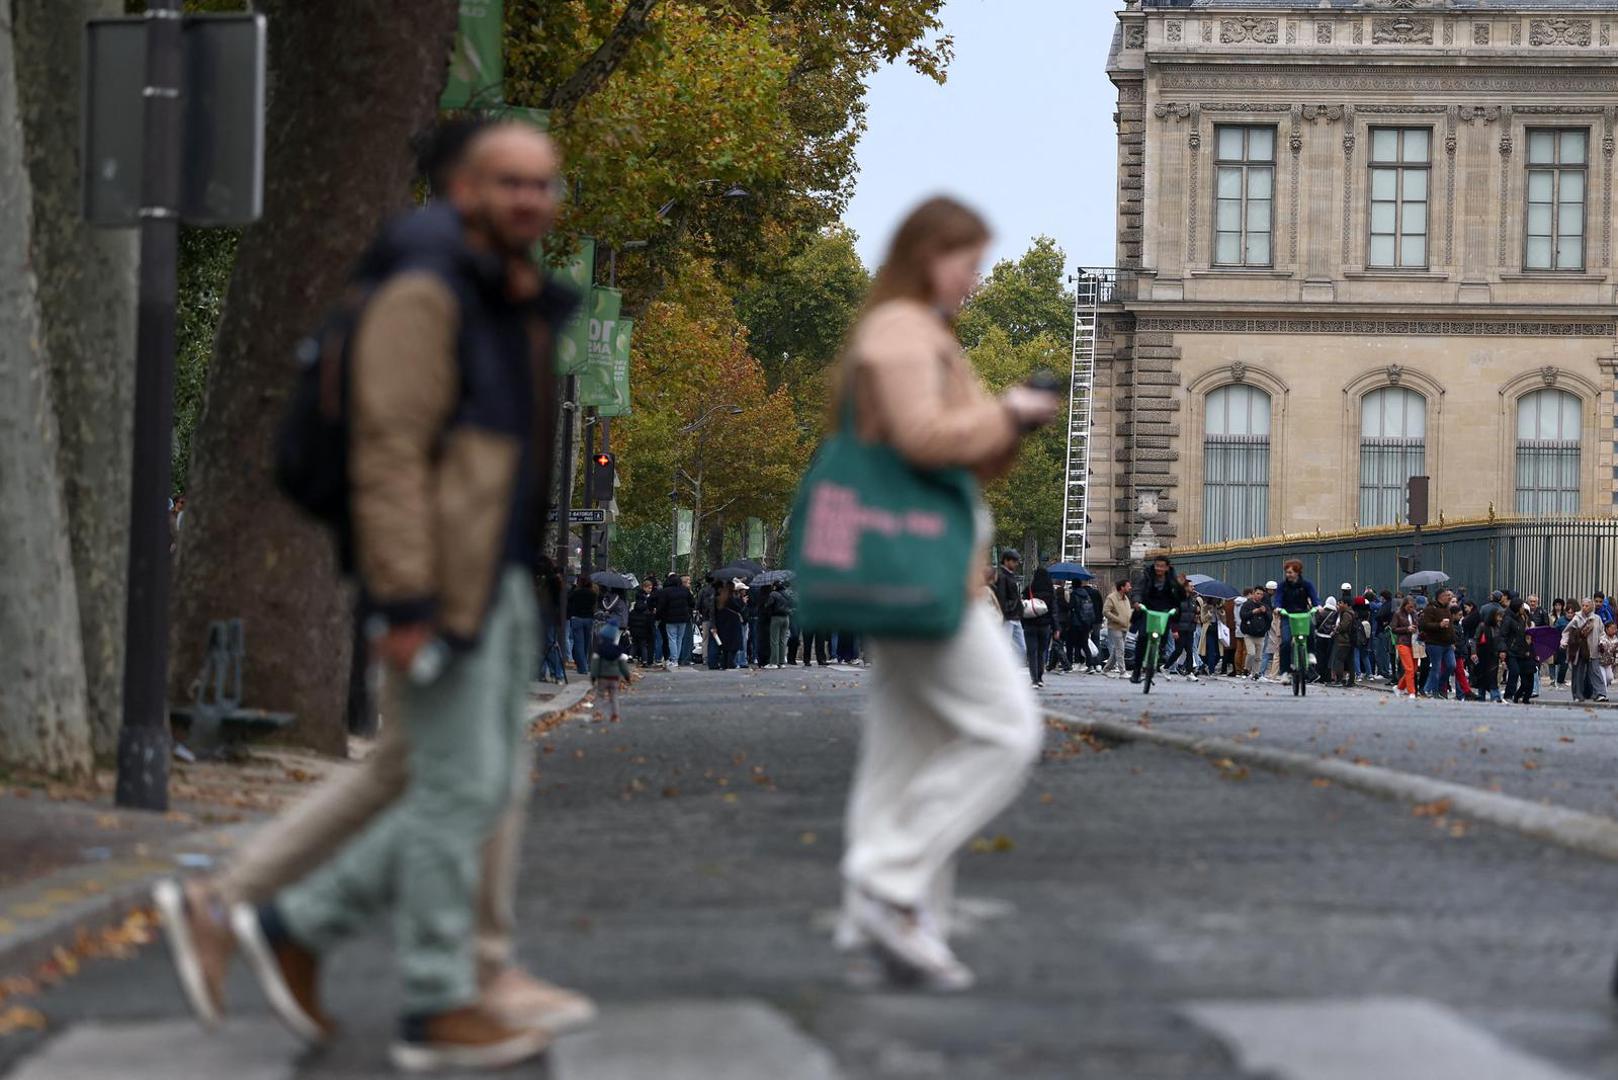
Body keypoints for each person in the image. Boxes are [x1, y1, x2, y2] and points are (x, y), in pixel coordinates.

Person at [153, 123, 583, 1071]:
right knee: (461, 788)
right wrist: (403, 600)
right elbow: (388, 453)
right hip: (446, 579)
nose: (530, 200)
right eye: (509, 182)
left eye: (543, 184)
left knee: (431, 775)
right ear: (463, 188)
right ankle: (438, 998)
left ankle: (267, 917)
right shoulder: (426, 288)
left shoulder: (495, 287)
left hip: (497, 571)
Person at [832, 196, 1058, 992]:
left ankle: (888, 922)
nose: (976, 278)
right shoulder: (903, 332)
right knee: (1006, 730)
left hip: (910, 563)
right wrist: (1007, 411)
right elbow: (924, 438)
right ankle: (889, 883)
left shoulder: (917, 332)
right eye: (968, 261)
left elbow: (965, 452)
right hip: (921, 568)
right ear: (928, 256)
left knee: (903, 754)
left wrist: (1011, 424)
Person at [1130, 556, 1186, 684]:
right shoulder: (1147, 576)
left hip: (1164, 612)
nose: (1159, 569)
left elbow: (1181, 597)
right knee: (1142, 638)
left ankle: (1158, 656)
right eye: (1157, 566)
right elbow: (1138, 590)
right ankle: (1136, 671)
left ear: (1167, 567)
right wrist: (1137, 602)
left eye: (1162, 566)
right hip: (1148, 610)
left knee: (1163, 638)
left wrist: (1180, 587)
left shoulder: (1172, 579)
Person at [1020, 557, 1057, 689]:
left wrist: (1023, 623)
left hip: (1030, 625)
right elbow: (1054, 611)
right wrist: (1056, 628)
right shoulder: (1050, 591)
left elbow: (1022, 607)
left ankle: (1034, 679)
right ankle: (1040, 677)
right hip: (1045, 626)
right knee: (1042, 652)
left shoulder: (1029, 589)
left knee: (1032, 653)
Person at [1419, 589, 1458, 699]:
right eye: (1447, 595)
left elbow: (1450, 627)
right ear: (1440, 597)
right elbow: (1424, 625)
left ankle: (1439, 686)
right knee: (1436, 668)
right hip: (1435, 643)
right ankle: (1432, 691)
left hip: (1447, 644)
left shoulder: (1447, 609)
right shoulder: (1430, 609)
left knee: (1451, 665)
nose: (1449, 597)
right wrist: (1439, 625)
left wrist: (1453, 640)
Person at [590, 625, 633, 721]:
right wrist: (627, 676)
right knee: (614, 696)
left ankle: (598, 713)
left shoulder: (599, 650)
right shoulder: (617, 650)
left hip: (602, 677)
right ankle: (615, 714)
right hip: (614, 677)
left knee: (600, 695)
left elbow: (595, 665)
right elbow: (623, 666)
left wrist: (593, 676)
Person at [1562, 598, 1601, 703]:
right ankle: (1577, 695)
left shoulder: (1596, 619)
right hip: (1579, 650)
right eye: (1583, 605)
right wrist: (1564, 643)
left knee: (1592, 673)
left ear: (1591, 607)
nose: (1584, 608)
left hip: (1593, 650)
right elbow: (1567, 631)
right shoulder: (1577, 618)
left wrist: (1602, 642)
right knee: (1578, 673)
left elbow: (1601, 633)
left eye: (1587, 606)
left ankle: (1592, 693)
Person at [655, 572, 695, 669]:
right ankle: (676, 658)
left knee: (672, 638)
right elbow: (692, 603)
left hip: (670, 618)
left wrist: (658, 616)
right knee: (679, 639)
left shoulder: (666, 591)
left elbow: (661, 606)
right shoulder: (685, 590)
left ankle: (674, 659)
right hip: (683, 618)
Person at [1502, 597, 1536, 704]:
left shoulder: (1521, 618)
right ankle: (1509, 694)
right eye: (1521, 606)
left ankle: (1517, 695)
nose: (1523, 608)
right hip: (1511, 651)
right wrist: (1503, 650)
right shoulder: (1508, 619)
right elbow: (1503, 635)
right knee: (1514, 671)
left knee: (1524, 676)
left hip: (1521, 651)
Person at [993, 550, 1025, 654]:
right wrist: (1007, 611)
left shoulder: (1008, 575)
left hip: (1013, 616)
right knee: (1009, 647)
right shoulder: (1002, 576)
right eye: (1014, 561)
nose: (1016, 564)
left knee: (1020, 648)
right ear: (1006, 561)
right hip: (1008, 616)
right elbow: (1001, 597)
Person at [566, 576, 597, 676]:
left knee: (579, 643)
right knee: (586, 643)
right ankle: (584, 665)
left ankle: (583, 667)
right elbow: (593, 605)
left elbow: (568, 598)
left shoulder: (576, 592)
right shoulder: (593, 594)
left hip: (577, 618)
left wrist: (574, 587)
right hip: (588, 619)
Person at [1102, 580, 1133, 678]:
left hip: (1125, 627)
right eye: (1128, 586)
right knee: (1120, 649)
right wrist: (1118, 619)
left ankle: (1106, 669)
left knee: (1116, 650)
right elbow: (1106, 611)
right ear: (1122, 587)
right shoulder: (1111, 597)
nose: (1130, 588)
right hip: (1115, 627)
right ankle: (1122, 671)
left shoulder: (1126, 598)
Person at [1391, 596, 1418, 699]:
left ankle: (1399, 687)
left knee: (1413, 669)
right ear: (1404, 605)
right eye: (1409, 607)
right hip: (1403, 642)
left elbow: (1418, 625)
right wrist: (1407, 629)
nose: (1411, 609)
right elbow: (1393, 628)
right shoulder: (1398, 614)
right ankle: (1411, 692)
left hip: (1414, 643)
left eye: (1413, 607)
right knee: (1409, 668)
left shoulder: (1414, 614)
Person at [628, 579, 658, 666]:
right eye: (649, 588)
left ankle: (631, 656)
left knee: (635, 643)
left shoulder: (635, 609)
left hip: (635, 629)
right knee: (643, 644)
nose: (650, 590)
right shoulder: (647, 608)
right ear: (644, 587)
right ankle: (645, 660)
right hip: (644, 629)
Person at [1597, 622, 1618, 702]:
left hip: (1609, 663)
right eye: (1612, 628)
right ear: (1607, 629)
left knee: (1610, 678)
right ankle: (1602, 695)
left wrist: (1615, 662)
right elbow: (1601, 646)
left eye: (1615, 628)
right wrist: (1601, 647)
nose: (1614, 630)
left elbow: (1616, 652)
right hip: (1600, 662)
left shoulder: (1616, 639)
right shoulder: (1602, 637)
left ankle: (1602, 689)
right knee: (1603, 679)